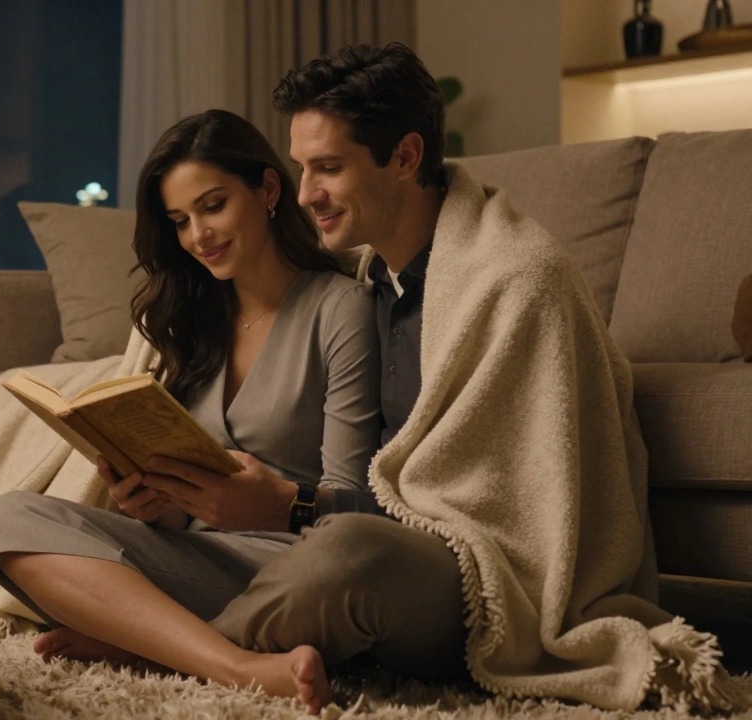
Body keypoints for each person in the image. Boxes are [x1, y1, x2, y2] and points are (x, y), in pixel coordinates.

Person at [212, 43, 747, 713]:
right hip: (354, 542)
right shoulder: (359, 283)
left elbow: (504, 516)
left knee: (348, 554)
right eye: (300, 167)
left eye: (327, 168)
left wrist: (294, 507)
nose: (304, 194)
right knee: (60, 526)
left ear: (405, 158)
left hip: (478, 580)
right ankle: (169, 618)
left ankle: (181, 646)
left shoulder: (517, 281)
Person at [0, 108, 382, 713]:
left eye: (213, 206)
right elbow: (187, 510)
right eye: (180, 221)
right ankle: (220, 656)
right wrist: (156, 507)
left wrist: (274, 503)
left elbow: (356, 508)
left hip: (299, 564)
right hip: (205, 558)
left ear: (268, 189)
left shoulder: (341, 308)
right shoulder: (196, 322)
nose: (198, 236)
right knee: (9, 519)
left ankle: (180, 651)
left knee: (342, 561)